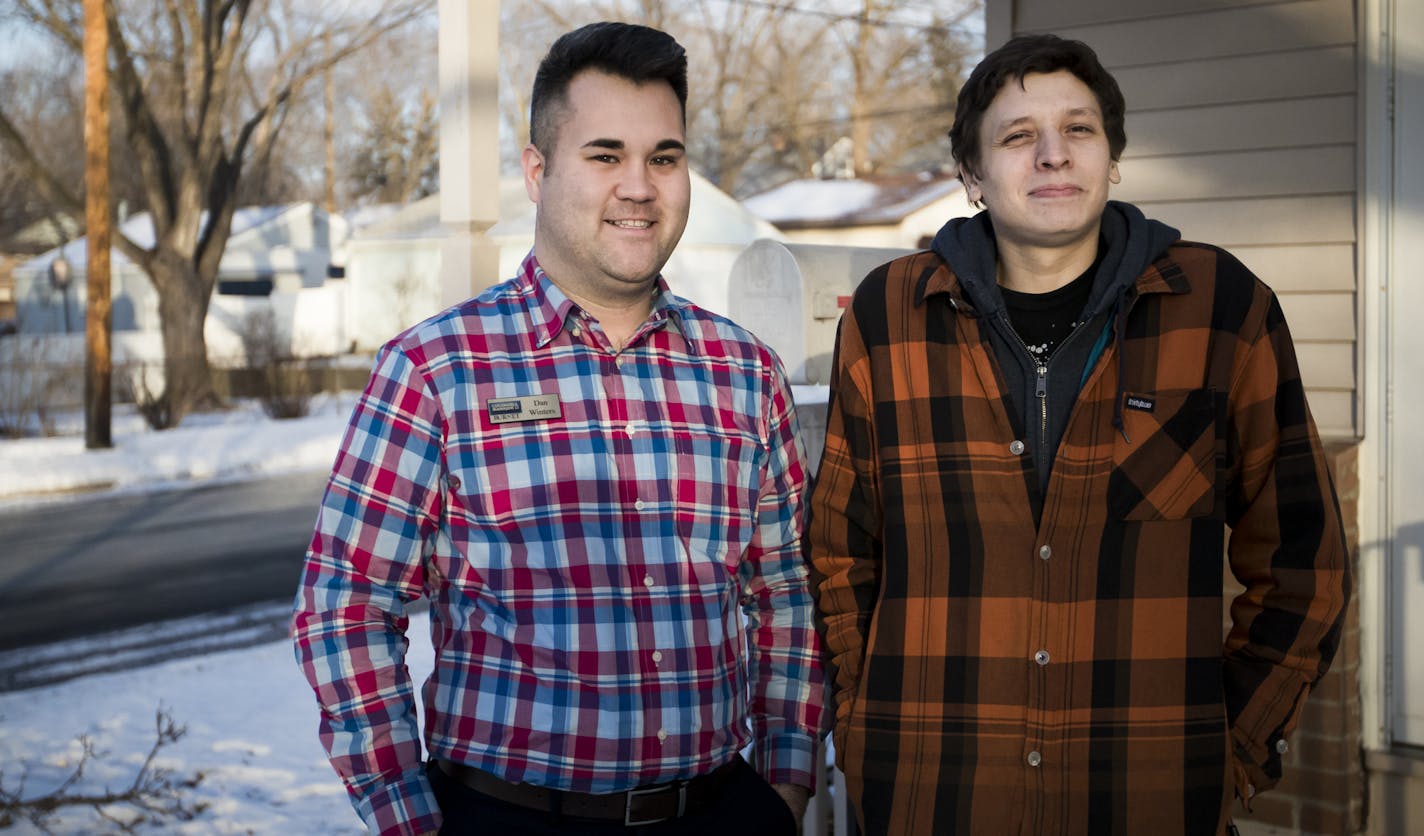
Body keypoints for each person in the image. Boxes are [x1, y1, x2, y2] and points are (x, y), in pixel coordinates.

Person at [807, 33, 1350, 836]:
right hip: (934, 792)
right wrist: (862, 726)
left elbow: (1303, 559)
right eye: (1018, 137)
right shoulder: (890, 316)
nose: (1053, 156)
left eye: (1079, 130)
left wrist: (1234, 743)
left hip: (1147, 792)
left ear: (1114, 157)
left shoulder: (1220, 308)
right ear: (972, 175)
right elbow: (839, 550)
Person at [293, 22, 823, 836]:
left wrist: (785, 779)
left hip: (721, 810)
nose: (639, 186)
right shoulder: (436, 370)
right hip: (510, 815)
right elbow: (346, 608)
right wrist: (407, 815)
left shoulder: (745, 373)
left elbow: (783, 589)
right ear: (538, 172)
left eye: (665, 157)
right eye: (605, 155)